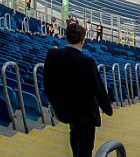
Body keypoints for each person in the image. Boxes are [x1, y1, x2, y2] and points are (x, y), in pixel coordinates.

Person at [43, 22, 113, 157]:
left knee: (74, 137)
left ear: (66, 37)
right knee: (86, 148)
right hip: (85, 114)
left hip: (66, 110)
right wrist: (107, 108)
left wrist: (57, 103)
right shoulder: (87, 62)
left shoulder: (53, 54)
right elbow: (98, 89)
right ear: (83, 40)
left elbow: (48, 82)